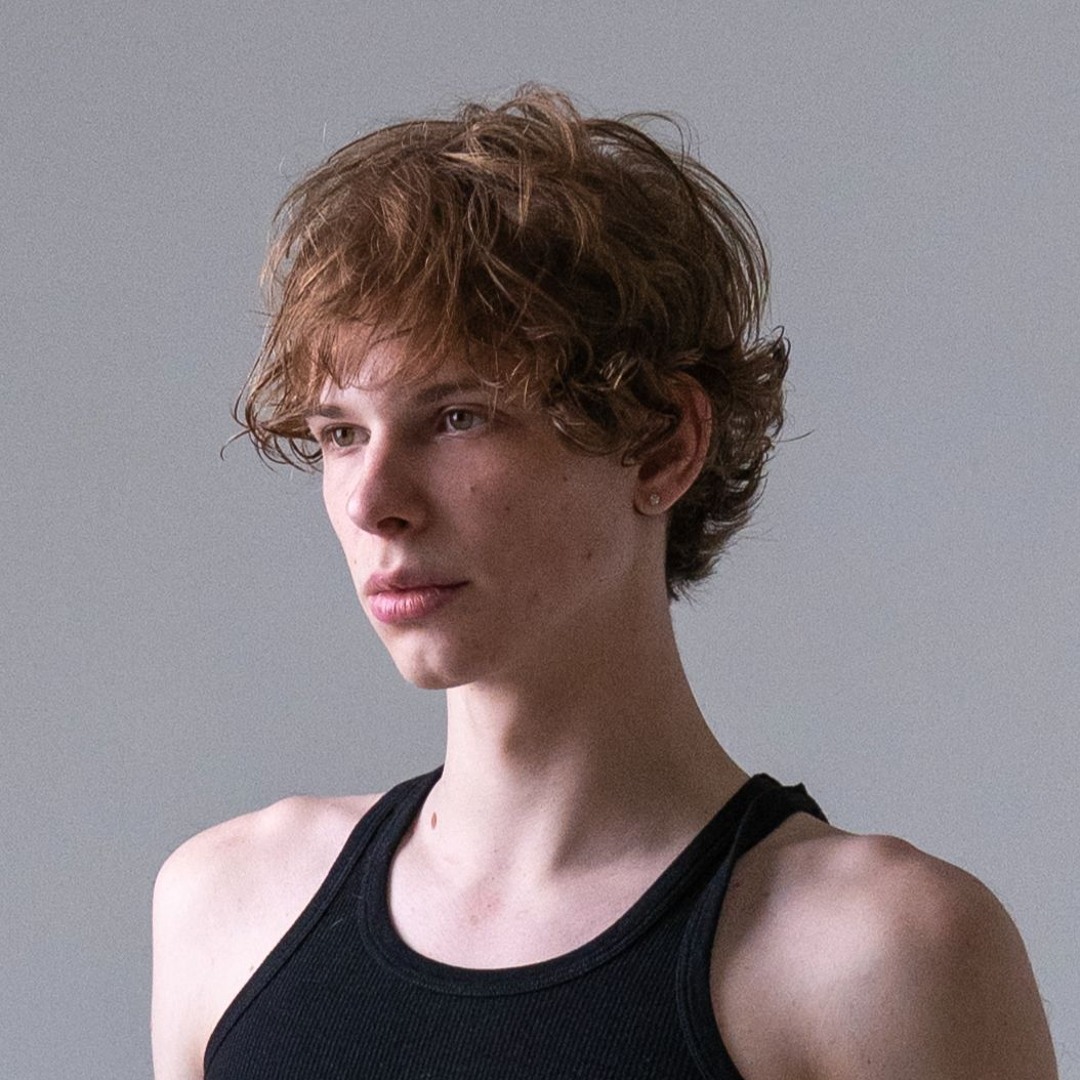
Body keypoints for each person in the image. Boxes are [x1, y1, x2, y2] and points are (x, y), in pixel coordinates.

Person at [151, 86, 1057, 1079]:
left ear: (663, 444)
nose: (373, 502)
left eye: (457, 417)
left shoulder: (878, 955)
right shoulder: (229, 909)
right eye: (340, 434)